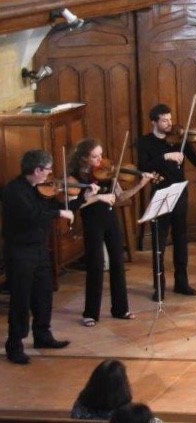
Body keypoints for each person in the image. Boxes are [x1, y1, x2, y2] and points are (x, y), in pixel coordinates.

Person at [3, 149, 88, 364]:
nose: (50, 176)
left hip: (40, 250)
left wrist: (82, 199)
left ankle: (42, 335)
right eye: (48, 171)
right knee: (21, 298)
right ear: (37, 170)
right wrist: (59, 213)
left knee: (44, 293)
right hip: (20, 251)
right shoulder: (14, 190)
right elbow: (31, 216)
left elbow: (59, 206)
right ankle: (15, 344)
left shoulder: (40, 190)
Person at [70, 139, 156, 326]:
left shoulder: (108, 173)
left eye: (101, 155)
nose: (100, 160)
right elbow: (76, 205)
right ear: (84, 158)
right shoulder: (76, 177)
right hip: (92, 222)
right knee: (96, 265)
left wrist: (141, 184)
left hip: (110, 220)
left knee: (118, 263)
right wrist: (98, 196)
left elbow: (120, 198)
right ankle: (90, 313)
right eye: (95, 156)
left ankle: (120, 309)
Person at [137, 103, 196, 300]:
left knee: (181, 240)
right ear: (154, 122)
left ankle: (182, 283)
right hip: (160, 194)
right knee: (159, 242)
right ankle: (159, 287)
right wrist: (165, 155)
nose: (169, 123)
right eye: (164, 120)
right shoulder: (144, 142)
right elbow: (143, 166)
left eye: (170, 119)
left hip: (180, 194)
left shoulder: (178, 139)